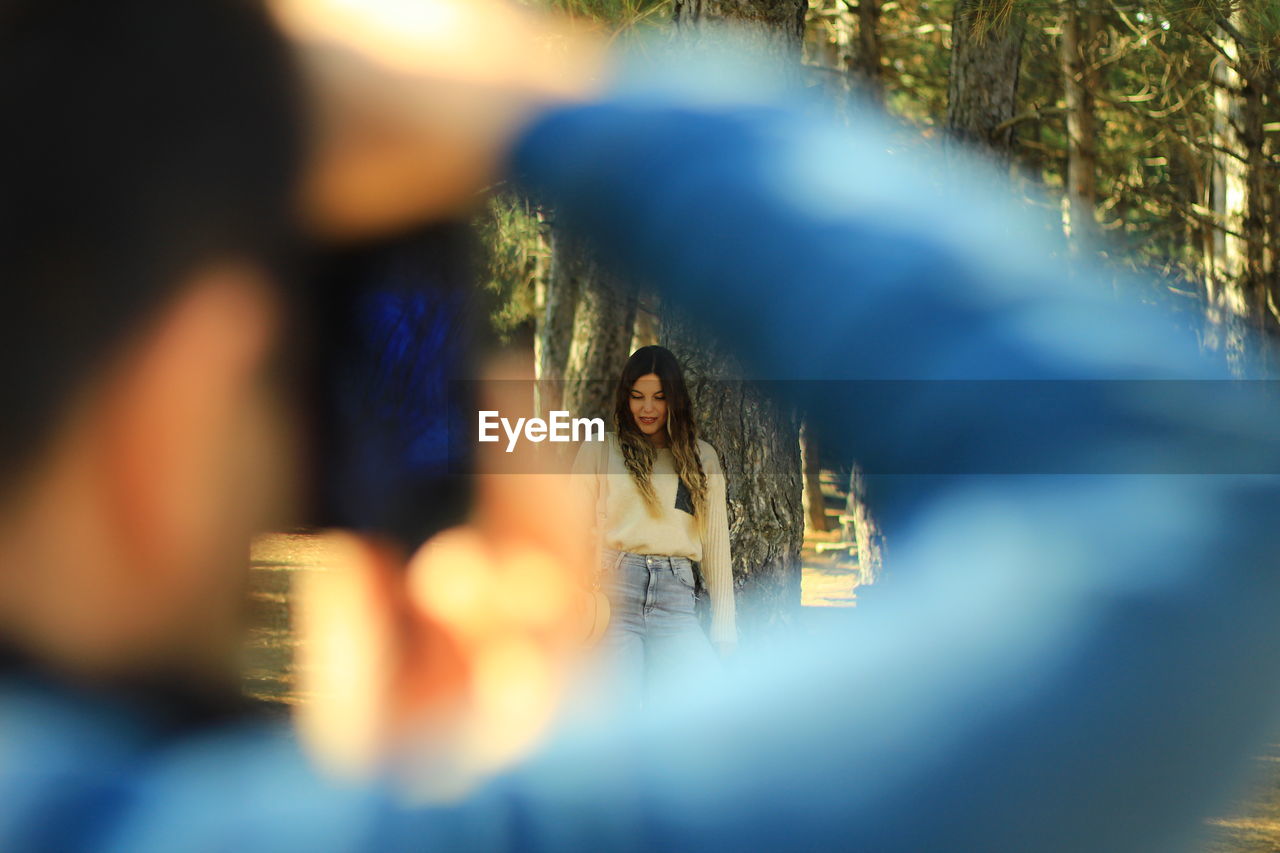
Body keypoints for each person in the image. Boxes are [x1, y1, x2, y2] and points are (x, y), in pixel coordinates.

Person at [4, 1, 1280, 851]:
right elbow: (1166, 502)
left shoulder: (693, 458)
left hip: (673, 608)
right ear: (168, 416)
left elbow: (714, 538)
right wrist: (547, 95)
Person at [572, 345, 736, 706]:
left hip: (676, 604)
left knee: (713, 706)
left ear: (674, 400)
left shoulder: (700, 457)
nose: (647, 409)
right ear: (624, 398)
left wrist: (725, 629)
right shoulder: (600, 451)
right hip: (613, 602)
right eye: (638, 397)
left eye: (659, 398)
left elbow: (716, 546)